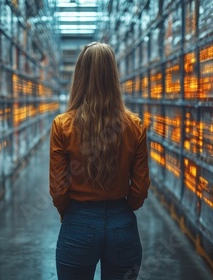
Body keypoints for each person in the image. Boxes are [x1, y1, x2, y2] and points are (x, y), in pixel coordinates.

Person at [49, 42, 151, 280]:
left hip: (77, 224)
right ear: (113, 75)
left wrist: (72, 213)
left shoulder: (62, 125)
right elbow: (140, 188)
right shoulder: (134, 126)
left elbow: (57, 189)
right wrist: (123, 210)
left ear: (80, 76)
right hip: (122, 227)